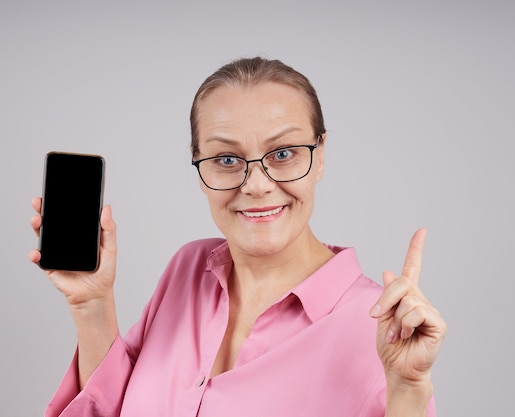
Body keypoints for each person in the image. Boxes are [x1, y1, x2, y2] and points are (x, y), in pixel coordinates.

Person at [29, 57, 446, 417]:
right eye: (227, 159)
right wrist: (92, 303)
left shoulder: (377, 328)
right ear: (198, 166)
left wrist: (408, 393)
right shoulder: (187, 268)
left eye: (283, 154)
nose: (256, 185)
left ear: (320, 156)